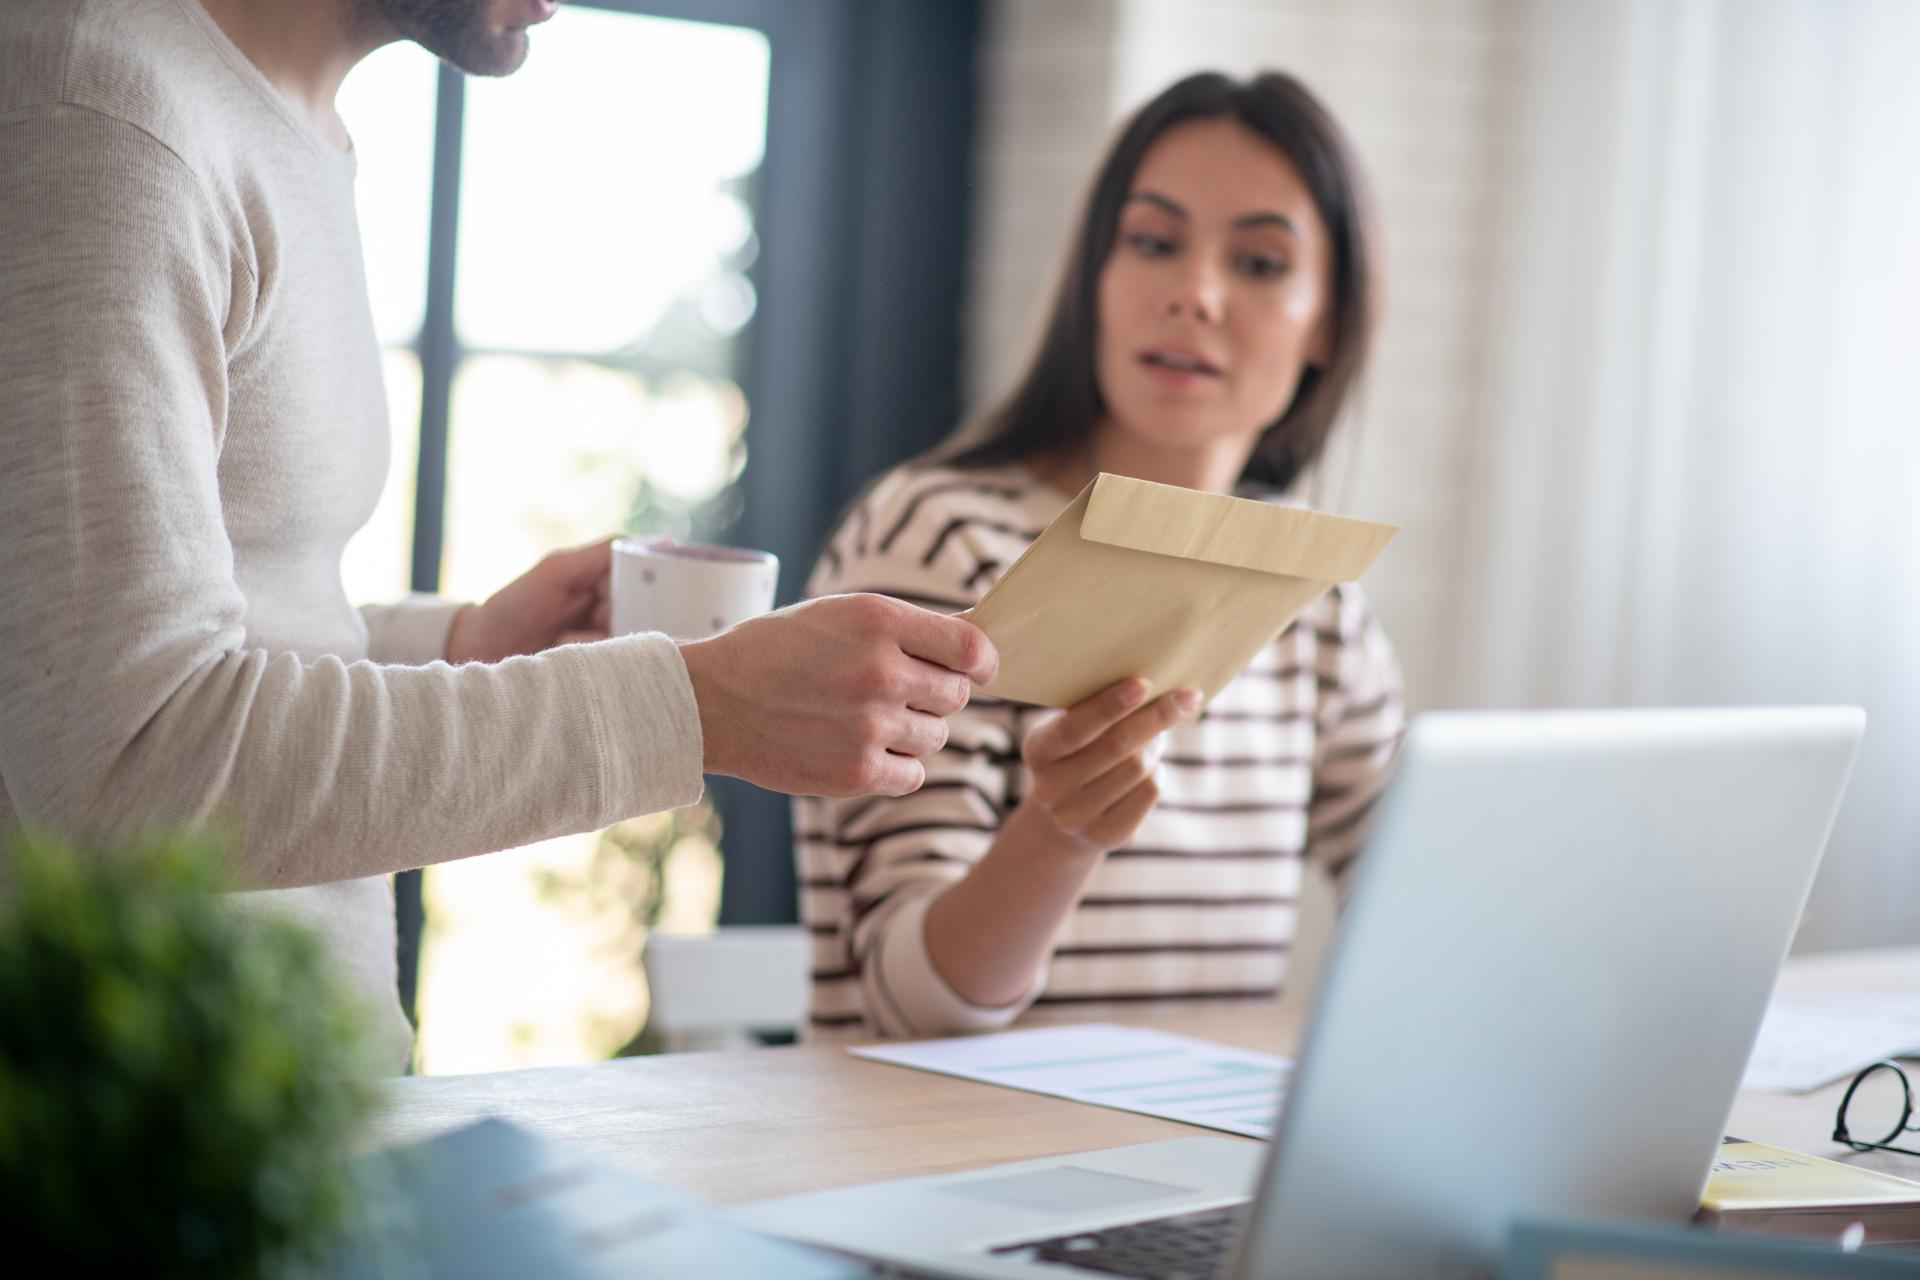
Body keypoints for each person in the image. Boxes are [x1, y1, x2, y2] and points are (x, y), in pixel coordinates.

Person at [0, 0, 996, 1070]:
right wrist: (699, 707)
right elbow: (126, 759)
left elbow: (199, 630)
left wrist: (465, 642)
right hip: (140, 1159)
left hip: (284, 1122)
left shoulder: (277, 121)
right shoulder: (106, 110)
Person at [797, 71, 1404, 1039]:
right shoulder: (940, 536)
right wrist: (1060, 831)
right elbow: (906, 1002)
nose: (1193, 295)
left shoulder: (1316, 603)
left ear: (1329, 319)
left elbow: (1421, 898)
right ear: (1096, 279)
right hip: (946, 1160)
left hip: (1206, 1167)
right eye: (1153, 243)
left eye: (1258, 263)